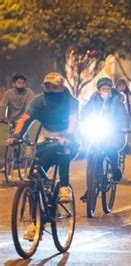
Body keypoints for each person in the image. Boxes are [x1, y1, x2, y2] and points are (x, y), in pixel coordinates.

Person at [8, 72, 79, 240]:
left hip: (67, 139)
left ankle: (63, 186)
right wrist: (17, 136)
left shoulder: (71, 101)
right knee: (34, 179)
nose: (50, 89)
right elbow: (26, 119)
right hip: (46, 139)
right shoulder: (39, 100)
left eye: (54, 86)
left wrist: (68, 137)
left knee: (63, 151)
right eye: (47, 86)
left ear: (61, 87)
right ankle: (35, 223)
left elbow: (73, 121)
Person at [80, 77, 130, 201]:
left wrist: (124, 127)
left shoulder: (117, 100)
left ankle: (114, 168)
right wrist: (82, 121)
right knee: (91, 159)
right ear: (98, 90)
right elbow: (84, 113)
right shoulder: (93, 100)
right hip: (97, 131)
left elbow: (123, 115)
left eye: (108, 88)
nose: (106, 91)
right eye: (103, 88)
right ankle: (90, 188)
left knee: (110, 149)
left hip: (113, 132)